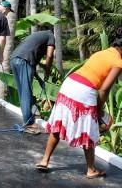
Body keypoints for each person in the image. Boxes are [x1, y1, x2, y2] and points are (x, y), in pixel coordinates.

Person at [36, 27, 122, 178]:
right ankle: (91, 169)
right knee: (88, 131)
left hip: (69, 83)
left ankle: (44, 160)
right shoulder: (118, 62)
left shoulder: (103, 52)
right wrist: (98, 109)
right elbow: (103, 90)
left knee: (58, 124)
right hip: (84, 90)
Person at [10, 30, 55, 134]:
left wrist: (40, 80)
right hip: (24, 61)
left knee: (22, 92)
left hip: (14, 58)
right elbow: (49, 55)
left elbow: (32, 65)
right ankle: (28, 124)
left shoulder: (36, 36)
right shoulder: (50, 35)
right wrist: (47, 71)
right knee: (26, 92)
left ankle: (29, 119)